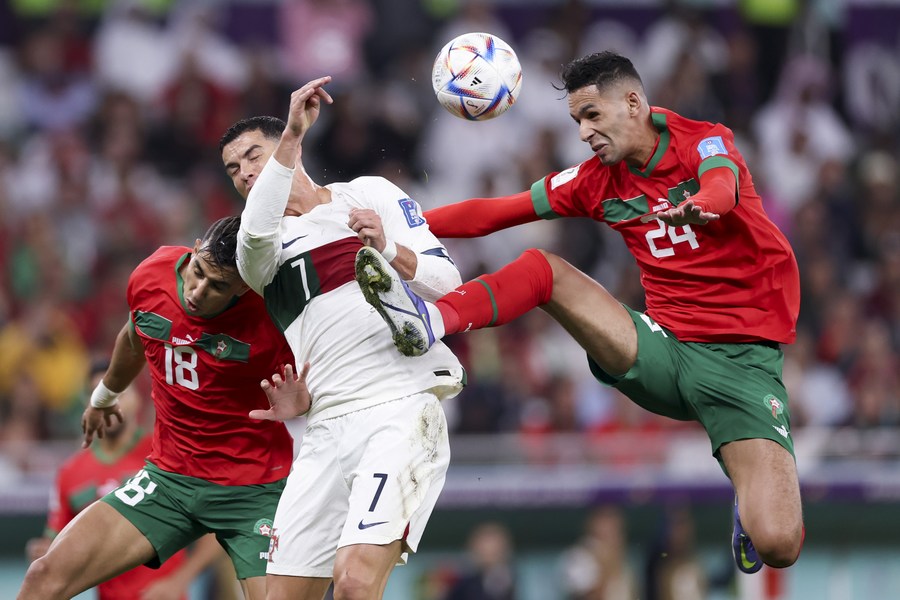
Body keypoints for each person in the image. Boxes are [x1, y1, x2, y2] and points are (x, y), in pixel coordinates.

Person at [356, 51, 804, 574]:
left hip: (744, 367)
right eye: (576, 121)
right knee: (543, 268)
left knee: (778, 545)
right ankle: (430, 323)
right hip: (664, 347)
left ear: (633, 103)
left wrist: (702, 204)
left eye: (592, 116)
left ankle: (746, 496)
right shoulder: (595, 179)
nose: (584, 132)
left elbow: (721, 184)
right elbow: (496, 213)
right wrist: (399, 226)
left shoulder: (704, 138)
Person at [217, 77, 465, 600]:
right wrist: (289, 135)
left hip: (397, 407)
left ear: (289, 151)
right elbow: (258, 230)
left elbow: (448, 283)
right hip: (323, 429)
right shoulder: (255, 248)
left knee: (353, 583)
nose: (244, 173)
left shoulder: (370, 193)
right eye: (234, 169)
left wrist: (388, 247)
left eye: (252, 157)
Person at [19, 216, 296, 600]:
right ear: (195, 248)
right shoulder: (153, 275)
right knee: (43, 578)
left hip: (254, 490)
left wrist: (304, 402)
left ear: (245, 287)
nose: (198, 291)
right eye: (197, 271)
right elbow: (135, 336)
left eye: (218, 286)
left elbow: (329, 384)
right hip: (169, 481)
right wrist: (104, 396)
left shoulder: (276, 318)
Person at [25, 360, 226, 600]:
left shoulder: (168, 455)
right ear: (87, 404)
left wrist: (178, 581)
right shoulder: (69, 473)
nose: (110, 403)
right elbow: (54, 543)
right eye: (98, 394)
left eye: (118, 393)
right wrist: (40, 552)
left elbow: (215, 529)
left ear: (138, 399)